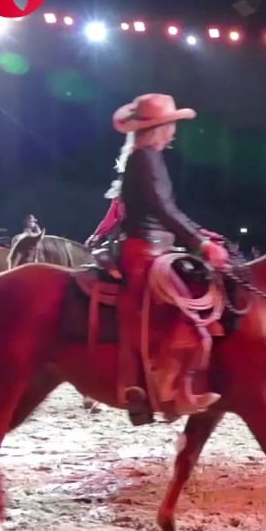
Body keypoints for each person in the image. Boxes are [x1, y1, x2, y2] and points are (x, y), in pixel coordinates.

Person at [111, 93, 230, 424]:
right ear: (160, 127)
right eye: (172, 124)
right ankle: (170, 392)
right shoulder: (146, 158)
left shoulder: (145, 157)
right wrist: (201, 245)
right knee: (184, 312)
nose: (175, 131)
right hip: (145, 249)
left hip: (157, 244)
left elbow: (165, 208)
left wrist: (200, 234)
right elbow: (163, 208)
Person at [84, 133, 132, 249]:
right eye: (121, 176)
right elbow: (110, 218)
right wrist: (96, 235)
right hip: (121, 238)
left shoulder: (142, 191)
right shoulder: (119, 197)